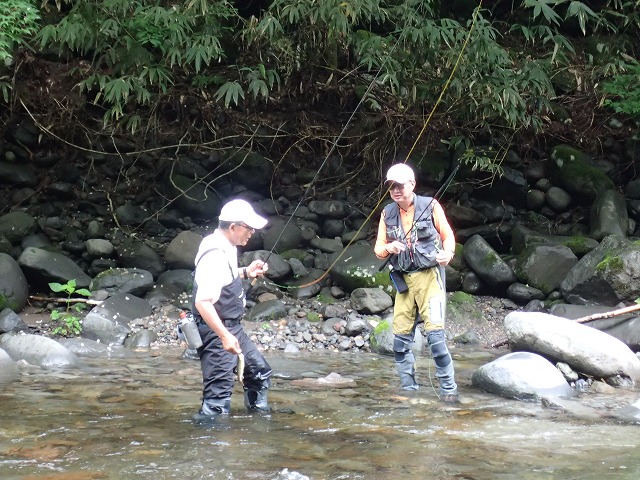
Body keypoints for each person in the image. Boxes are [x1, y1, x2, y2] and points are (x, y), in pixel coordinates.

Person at [374, 163, 459, 403]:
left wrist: (448, 253)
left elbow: (447, 236)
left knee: (435, 339)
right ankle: (408, 390)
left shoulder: (431, 206)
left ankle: (449, 391)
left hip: (430, 278)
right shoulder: (386, 213)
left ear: (412, 184)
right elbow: (379, 249)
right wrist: (389, 247)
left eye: (400, 185)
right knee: (400, 341)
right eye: (391, 186)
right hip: (403, 282)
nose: (395, 190)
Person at [191, 198, 272, 421]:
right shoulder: (215, 254)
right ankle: (210, 444)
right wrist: (224, 336)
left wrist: (245, 271)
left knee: (258, 373)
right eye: (249, 228)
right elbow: (203, 302)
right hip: (217, 331)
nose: (252, 232)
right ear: (233, 227)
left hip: (232, 327)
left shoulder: (223, 244)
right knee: (218, 399)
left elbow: (221, 277)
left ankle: (258, 422)